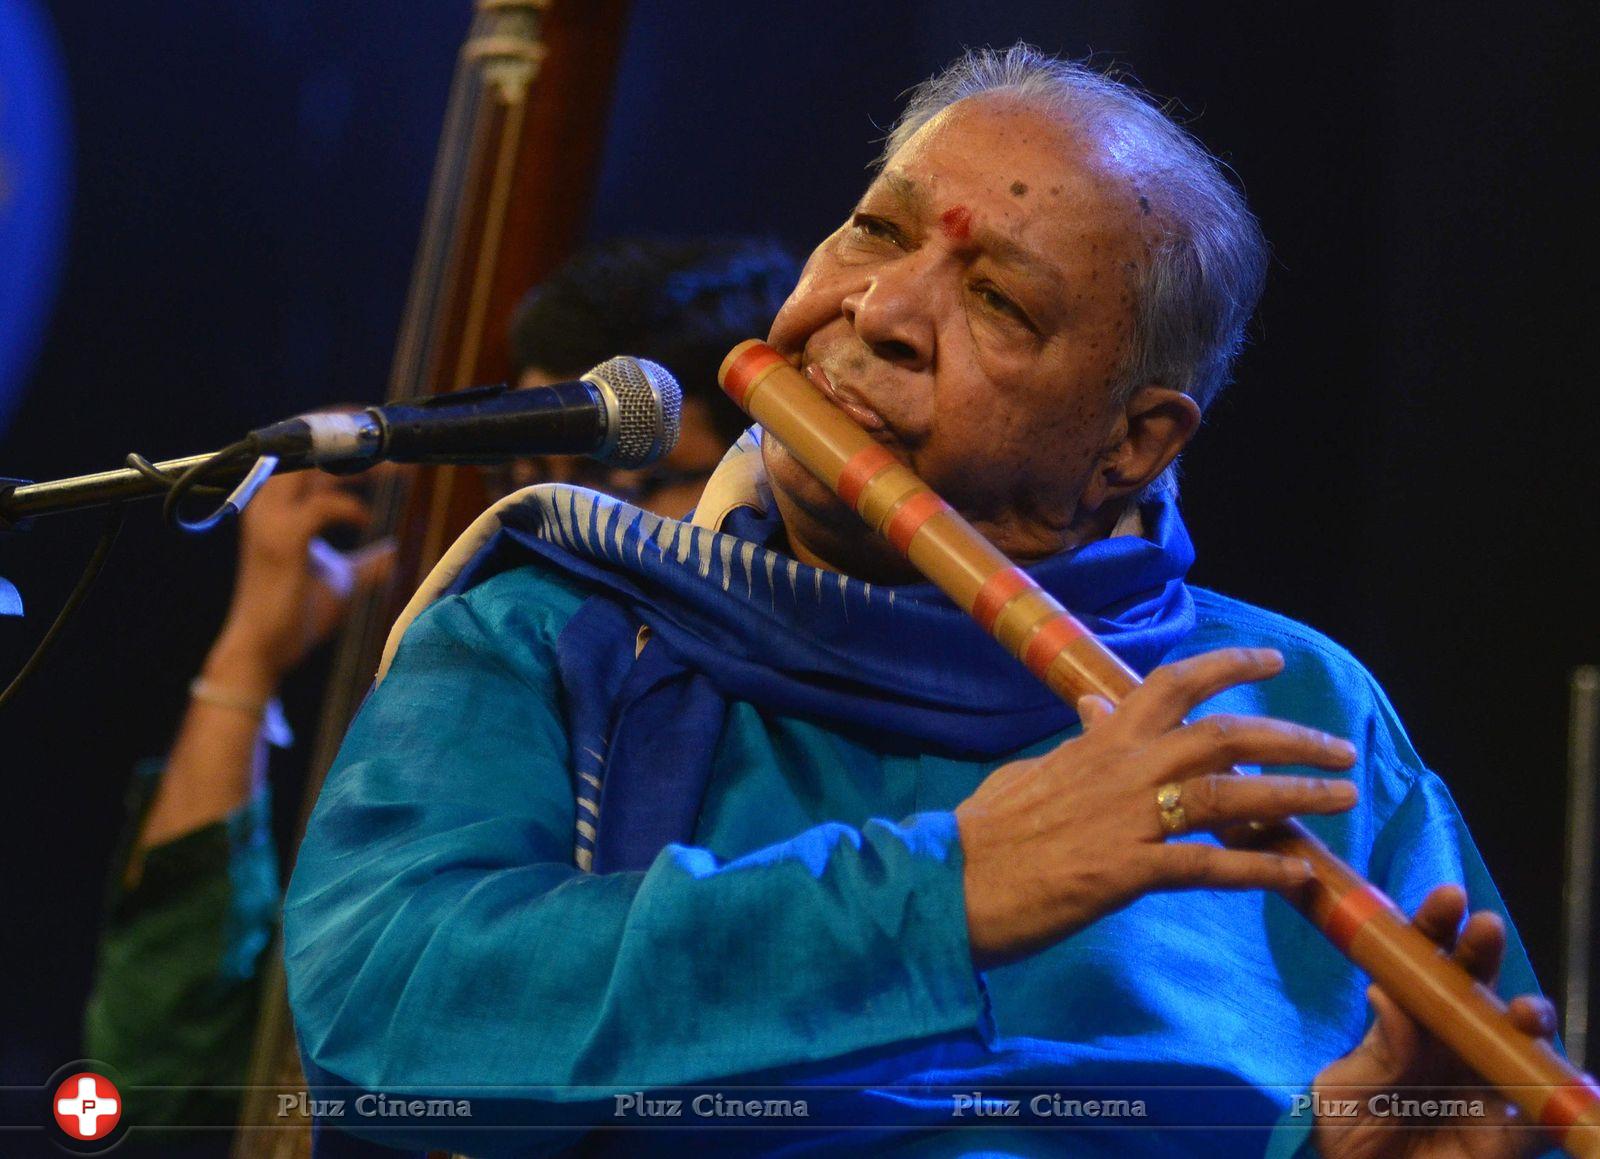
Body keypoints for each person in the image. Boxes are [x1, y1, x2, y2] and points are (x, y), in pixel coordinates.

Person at [282, 46, 1562, 1159]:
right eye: (877, 232)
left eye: (999, 301)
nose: (883, 311)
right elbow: (383, 1022)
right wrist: (939, 896)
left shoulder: (1297, 709)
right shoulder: (558, 627)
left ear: (1133, 443)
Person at [81, 235, 799, 1135]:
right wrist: (247, 659)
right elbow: (150, 1080)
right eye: (532, 476)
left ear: (749, 477)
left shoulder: (781, 747)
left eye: (623, 479)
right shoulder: (492, 667)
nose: (560, 521)